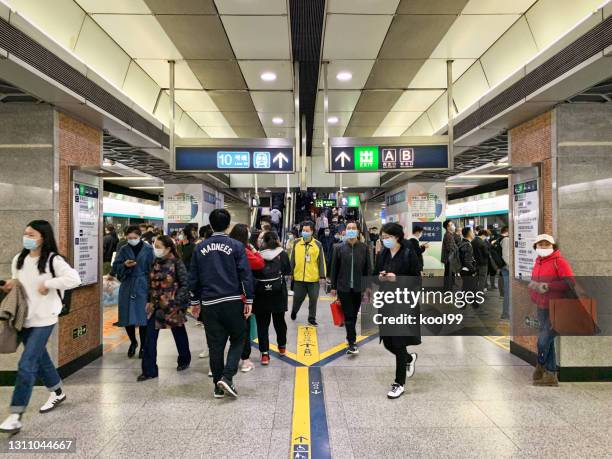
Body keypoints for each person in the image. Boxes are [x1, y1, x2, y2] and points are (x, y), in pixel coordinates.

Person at [0, 220, 81, 434]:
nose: (27, 237)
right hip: (23, 319)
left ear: (43, 237)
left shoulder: (53, 260)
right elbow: (20, 283)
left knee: (27, 364)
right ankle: (57, 392)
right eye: (25, 233)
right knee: (40, 358)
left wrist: (48, 284)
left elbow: (74, 279)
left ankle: (16, 415)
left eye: (32, 234)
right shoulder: (19, 259)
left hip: (45, 319)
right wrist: (12, 283)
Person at [189, 209, 254, 398]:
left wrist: (195, 301)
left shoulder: (200, 248)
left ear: (210, 225)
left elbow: (193, 277)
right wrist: (248, 299)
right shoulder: (236, 246)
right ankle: (227, 377)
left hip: (209, 302)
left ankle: (217, 387)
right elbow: (245, 274)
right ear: (228, 225)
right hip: (232, 300)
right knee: (239, 338)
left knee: (215, 345)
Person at [375, 222, 421, 399]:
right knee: (388, 342)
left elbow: (417, 279)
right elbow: (376, 273)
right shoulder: (384, 253)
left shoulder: (409, 253)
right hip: (387, 302)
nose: (384, 240)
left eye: (387, 237)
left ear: (397, 237)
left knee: (399, 343)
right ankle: (409, 359)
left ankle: (399, 383)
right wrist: (380, 277)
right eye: (383, 237)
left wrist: (398, 279)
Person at [138, 236, 191, 381]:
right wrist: (149, 300)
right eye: (155, 245)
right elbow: (151, 283)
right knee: (150, 337)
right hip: (155, 305)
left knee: (179, 333)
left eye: (159, 246)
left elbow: (185, 284)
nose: (156, 248)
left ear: (168, 248)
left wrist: (175, 301)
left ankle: (184, 359)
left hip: (173, 306)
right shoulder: (154, 262)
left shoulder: (177, 262)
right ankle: (149, 370)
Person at [529, 234, 573, 387]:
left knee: (543, 341)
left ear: (553, 247)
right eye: (540, 245)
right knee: (548, 341)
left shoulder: (559, 262)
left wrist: (549, 286)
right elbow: (535, 281)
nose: (543, 248)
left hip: (558, 307)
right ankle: (551, 374)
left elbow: (570, 283)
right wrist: (534, 291)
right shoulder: (538, 261)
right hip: (542, 307)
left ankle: (541, 365)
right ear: (535, 247)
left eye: (546, 245)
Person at [112, 225, 155, 358]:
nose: (132, 240)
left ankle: (143, 345)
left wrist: (152, 288)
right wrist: (124, 265)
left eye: (135, 238)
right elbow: (115, 266)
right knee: (126, 315)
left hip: (143, 284)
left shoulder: (148, 249)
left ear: (140, 236)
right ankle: (133, 342)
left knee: (143, 316)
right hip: (127, 284)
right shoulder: (124, 249)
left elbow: (153, 268)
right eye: (129, 238)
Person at [330, 222, 371, 354]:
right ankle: (352, 342)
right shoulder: (339, 247)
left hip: (359, 287)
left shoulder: (364, 248)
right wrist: (333, 287)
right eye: (349, 228)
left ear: (358, 231)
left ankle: (350, 337)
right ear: (345, 231)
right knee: (348, 315)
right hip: (343, 287)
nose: (351, 230)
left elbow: (368, 269)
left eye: (354, 228)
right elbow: (334, 268)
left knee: (353, 314)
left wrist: (368, 287)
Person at [229, 223, 265, 373]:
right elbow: (259, 263)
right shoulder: (242, 250)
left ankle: (226, 361)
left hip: (225, 294)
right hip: (242, 296)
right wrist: (254, 249)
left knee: (228, 329)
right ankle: (245, 359)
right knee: (244, 328)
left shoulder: (227, 248)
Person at [253, 231, 291, 364]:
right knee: (279, 321)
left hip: (260, 295)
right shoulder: (282, 254)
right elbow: (287, 271)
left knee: (262, 324)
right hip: (278, 294)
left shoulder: (257, 255)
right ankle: (282, 346)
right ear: (276, 240)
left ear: (263, 241)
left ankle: (264, 354)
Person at [290, 221, 326, 326]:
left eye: (307, 230)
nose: (304, 232)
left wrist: (322, 275)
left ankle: (311, 318)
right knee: (297, 298)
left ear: (312, 231)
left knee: (313, 299)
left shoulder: (317, 244)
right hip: (299, 278)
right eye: (303, 230)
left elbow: (321, 261)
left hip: (313, 278)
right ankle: (294, 311)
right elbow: (292, 259)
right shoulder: (296, 242)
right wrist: (290, 272)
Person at [457, 227, 477, 307]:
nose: (473, 233)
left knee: (467, 286)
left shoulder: (461, 242)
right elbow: (467, 261)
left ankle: (467, 303)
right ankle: (470, 303)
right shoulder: (468, 245)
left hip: (462, 269)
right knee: (469, 286)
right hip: (467, 270)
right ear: (469, 233)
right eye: (472, 232)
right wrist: (473, 270)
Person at [495, 226, 511, 319]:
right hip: (507, 268)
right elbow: (505, 256)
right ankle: (506, 313)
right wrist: (510, 267)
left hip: (504, 267)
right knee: (508, 291)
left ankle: (506, 312)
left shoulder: (500, 239)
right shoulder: (506, 240)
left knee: (508, 290)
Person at [441, 220, 458, 291]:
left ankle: (448, 288)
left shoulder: (450, 234)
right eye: (451, 224)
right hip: (449, 259)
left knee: (449, 274)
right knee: (449, 274)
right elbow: (449, 248)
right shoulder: (448, 235)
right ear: (448, 227)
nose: (453, 225)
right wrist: (457, 248)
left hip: (449, 258)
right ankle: (448, 289)